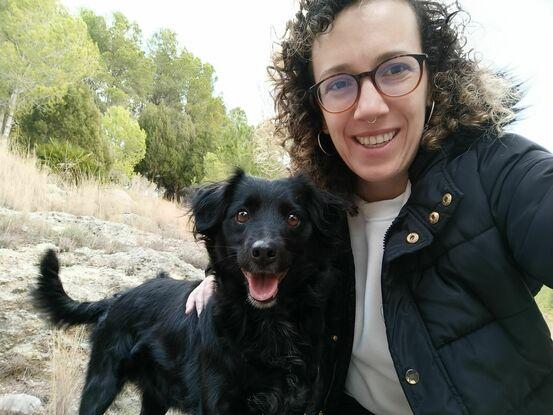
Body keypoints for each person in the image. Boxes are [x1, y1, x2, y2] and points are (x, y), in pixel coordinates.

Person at [186, 0, 553, 413]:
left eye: (396, 68)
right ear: (318, 110)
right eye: (339, 83)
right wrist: (227, 273)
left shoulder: (500, 171)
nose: (370, 107)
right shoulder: (318, 210)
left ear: (434, 78)